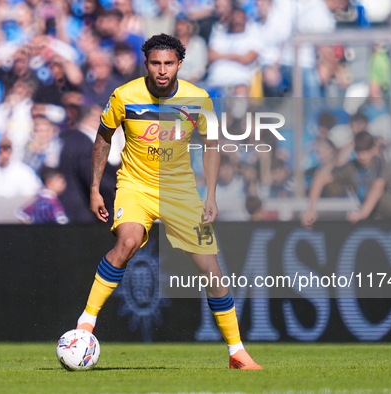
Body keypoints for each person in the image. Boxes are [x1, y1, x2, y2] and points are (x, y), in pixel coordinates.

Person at [74, 34, 262, 370]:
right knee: (128, 241)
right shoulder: (124, 96)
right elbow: (103, 138)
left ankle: (237, 351)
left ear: (179, 65)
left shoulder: (198, 98)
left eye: (169, 63)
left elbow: (213, 143)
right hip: (135, 185)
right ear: (146, 64)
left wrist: (211, 196)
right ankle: (86, 321)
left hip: (180, 192)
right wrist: (94, 189)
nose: (162, 70)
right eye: (156, 63)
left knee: (211, 271)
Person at [302, 131, 391, 227]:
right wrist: (311, 210)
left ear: (373, 150)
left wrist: (362, 214)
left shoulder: (381, 164)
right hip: (382, 221)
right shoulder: (351, 167)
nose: (362, 156)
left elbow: (377, 189)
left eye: (366, 151)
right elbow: (320, 179)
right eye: (359, 152)